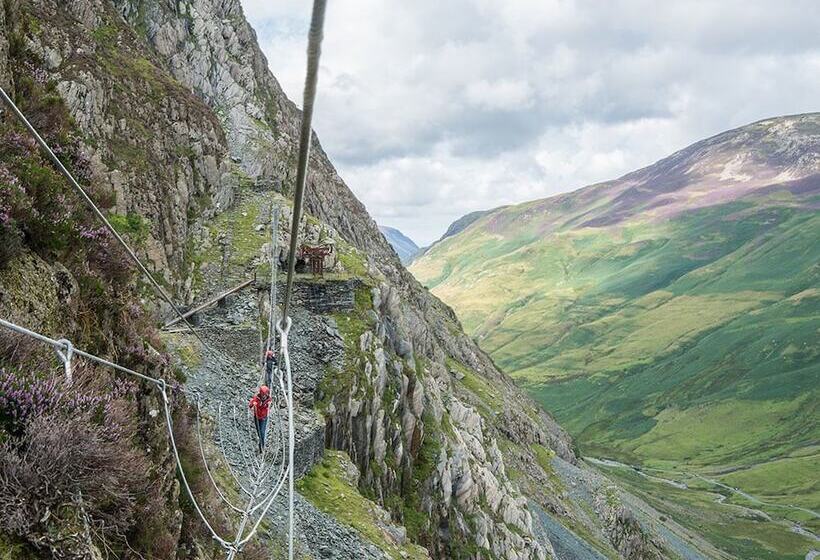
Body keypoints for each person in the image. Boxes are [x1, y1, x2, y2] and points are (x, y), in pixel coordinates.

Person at [249, 386, 271, 453]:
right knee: (259, 432)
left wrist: (270, 405)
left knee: (262, 432)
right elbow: (250, 404)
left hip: (264, 418)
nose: (264, 396)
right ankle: (260, 445)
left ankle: (261, 448)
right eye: (263, 394)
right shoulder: (257, 398)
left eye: (265, 394)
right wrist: (253, 403)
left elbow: (271, 404)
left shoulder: (269, 400)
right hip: (257, 417)